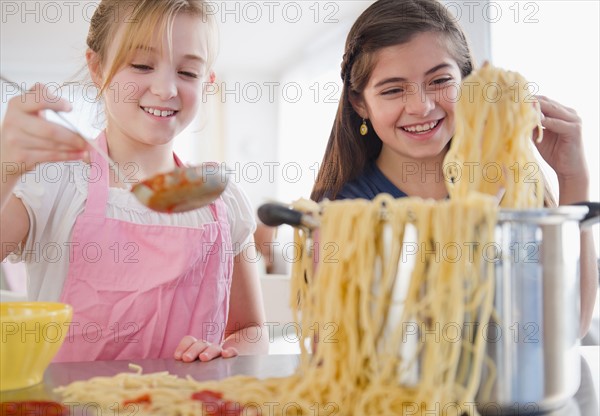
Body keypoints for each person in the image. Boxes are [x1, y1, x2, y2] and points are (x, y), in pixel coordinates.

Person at [0, 0, 268, 362]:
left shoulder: (222, 198)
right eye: (142, 65)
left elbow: (251, 331)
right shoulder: (52, 183)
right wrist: (6, 168)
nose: (165, 89)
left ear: (208, 83)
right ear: (97, 68)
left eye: (188, 73)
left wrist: (228, 354)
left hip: (189, 414)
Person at [310, 0, 597, 335]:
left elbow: (567, 325)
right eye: (392, 90)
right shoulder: (345, 208)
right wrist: (480, 205)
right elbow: (385, 342)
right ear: (360, 104)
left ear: (467, 83)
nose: (421, 106)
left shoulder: (510, 182)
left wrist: (572, 176)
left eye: (439, 81)